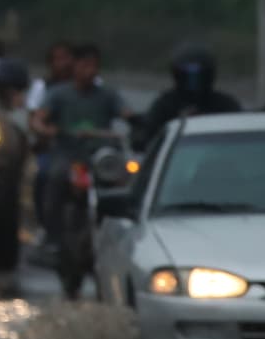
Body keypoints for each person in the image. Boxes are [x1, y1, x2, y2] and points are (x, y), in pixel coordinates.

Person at [28, 42, 123, 234]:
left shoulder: (107, 95)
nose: (91, 71)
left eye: (95, 66)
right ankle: (50, 233)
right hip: (68, 154)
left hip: (99, 156)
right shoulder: (58, 93)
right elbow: (38, 119)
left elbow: (127, 113)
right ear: (76, 66)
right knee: (52, 178)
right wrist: (46, 130)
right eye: (86, 65)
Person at [132, 42, 241, 150]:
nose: (193, 81)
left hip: (221, 156)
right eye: (188, 74)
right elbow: (144, 137)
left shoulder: (224, 105)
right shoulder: (166, 105)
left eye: (198, 74)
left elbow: (241, 133)